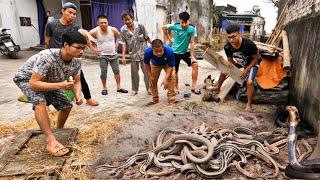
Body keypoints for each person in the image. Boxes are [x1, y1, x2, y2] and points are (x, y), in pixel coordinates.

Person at [13, 31, 86, 157]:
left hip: (50, 81)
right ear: (66, 45)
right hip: (27, 79)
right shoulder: (47, 57)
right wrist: (60, 85)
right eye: (78, 47)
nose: (82, 51)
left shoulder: (76, 61)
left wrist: (78, 96)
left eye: (83, 48)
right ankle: (50, 140)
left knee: (66, 105)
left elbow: (77, 81)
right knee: (40, 102)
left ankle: (58, 131)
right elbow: (33, 84)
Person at [45, 2, 99, 106]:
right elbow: (47, 41)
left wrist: (91, 41)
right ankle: (45, 104)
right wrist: (47, 54)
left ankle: (88, 98)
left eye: (74, 14)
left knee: (79, 78)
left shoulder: (75, 26)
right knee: (50, 81)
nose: (73, 15)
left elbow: (83, 32)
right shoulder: (51, 24)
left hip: (71, 57)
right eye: (70, 12)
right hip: (55, 57)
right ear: (62, 11)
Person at [212, 24, 260, 111]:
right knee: (224, 71)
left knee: (249, 82)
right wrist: (230, 69)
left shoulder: (249, 44)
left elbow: (256, 58)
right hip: (240, 63)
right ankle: (218, 88)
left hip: (251, 65)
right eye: (229, 37)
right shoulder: (227, 46)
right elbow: (230, 61)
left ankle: (249, 103)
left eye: (233, 37)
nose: (231, 40)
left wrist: (246, 70)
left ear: (239, 34)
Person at [162, 11, 201, 95]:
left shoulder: (192, 28)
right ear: (179, 21)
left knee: (195, 65)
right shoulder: (175, 26)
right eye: (182, 22)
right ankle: (176, 88)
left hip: (185, 52)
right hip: (174, 52)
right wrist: (169, 39)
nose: (184, 24)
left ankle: (194, 87)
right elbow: (163, 28)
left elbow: (192, 43)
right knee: (174, 70)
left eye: (185, 22)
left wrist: (192, 56)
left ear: (188, 21)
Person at [89, 15, 128, 95]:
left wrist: (117, 44)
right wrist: (93, 49)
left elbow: (120, 36)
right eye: (101, 23)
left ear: (107, 22)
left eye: (105, 22)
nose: (103, 24)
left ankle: (119, 87)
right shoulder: (95, 31)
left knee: (116, 71)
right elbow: (86, 38)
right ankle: (104, 88)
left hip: (113, 54)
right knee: (103, 72)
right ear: (98, 23)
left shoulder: (112, 29)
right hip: (102, 55)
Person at [120, 11, 152, 96]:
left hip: (144, 53)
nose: (127, 22)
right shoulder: (123, 30)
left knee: (147, 72)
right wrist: (123, 56)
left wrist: (154, 47)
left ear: (132, 18)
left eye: (128, 19)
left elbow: (147, 37)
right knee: (134, 73)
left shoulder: (140, 26)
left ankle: (149, 88)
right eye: (125, 20)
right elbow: (123, 44)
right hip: (133, 54)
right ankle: (134, 89)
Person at [144, 39, 175, 104]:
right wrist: (150, 75)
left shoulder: (169, 51)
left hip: (167, 64)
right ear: (152, 49)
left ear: (163, 47)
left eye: (160, 51)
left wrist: (166, 79)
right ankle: (155, 98)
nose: (159, 53)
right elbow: (146, 64)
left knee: (172, 76)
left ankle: (170, 97)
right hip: (155, 64)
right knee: (152, 80)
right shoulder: (147, 51)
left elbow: (170, 66)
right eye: (156, 51)